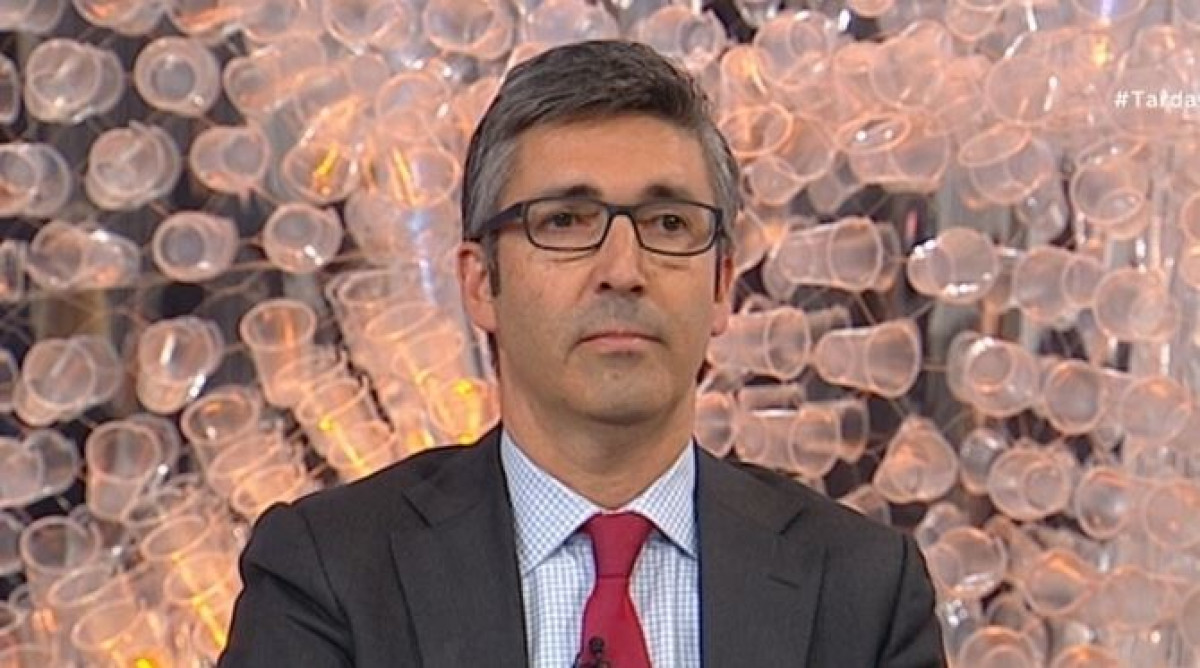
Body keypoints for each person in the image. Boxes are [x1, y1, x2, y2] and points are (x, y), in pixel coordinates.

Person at [219, 39, 946, 668]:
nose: (623, 269)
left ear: (722, 284)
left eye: (669, 223)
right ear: (480, 283)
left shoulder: (862, 588)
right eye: (565, 221)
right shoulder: (330, 571)